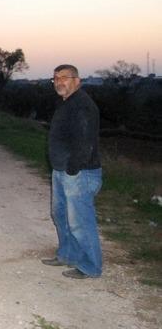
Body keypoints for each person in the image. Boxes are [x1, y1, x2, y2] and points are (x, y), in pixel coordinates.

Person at [42, 64, 103, 279]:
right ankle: (68, 254)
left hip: (79, 173)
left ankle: (90, 266)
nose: (59, 82)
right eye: (56, 78)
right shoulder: (67, 103)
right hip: (63, 171)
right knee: (60, 215)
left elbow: (85, 141)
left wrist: (73, 168)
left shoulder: (82, 105)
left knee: (80, 222)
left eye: (64, 77)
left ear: (77, 80)